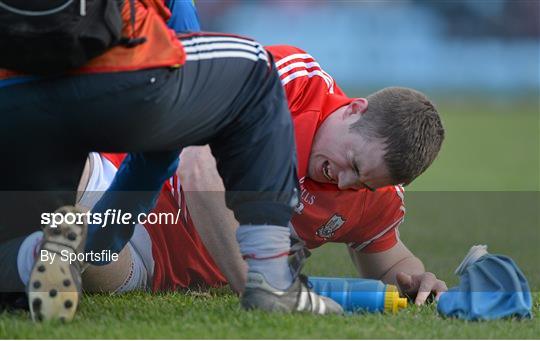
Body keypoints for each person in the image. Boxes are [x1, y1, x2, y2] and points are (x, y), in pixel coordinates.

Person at [0, 1, 339, 321]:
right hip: (111, 89)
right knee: (256, 70)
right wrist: (107, 235)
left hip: (15, 106)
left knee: (22, 243)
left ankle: (32, 256)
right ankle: (270, 276)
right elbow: (174, 141)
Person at [65, 44, 447, 305]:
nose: (347, 182)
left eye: (364, 183)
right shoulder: (290, 81)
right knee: (55, 160)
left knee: (99, 261)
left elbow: (393, 264)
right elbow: (199, 166)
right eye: (354, 165)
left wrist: (417, 283)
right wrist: (255, 284)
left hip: (146, 264)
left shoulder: (377, 197)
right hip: (120, 177)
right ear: (354, 110)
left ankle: (65, 234)